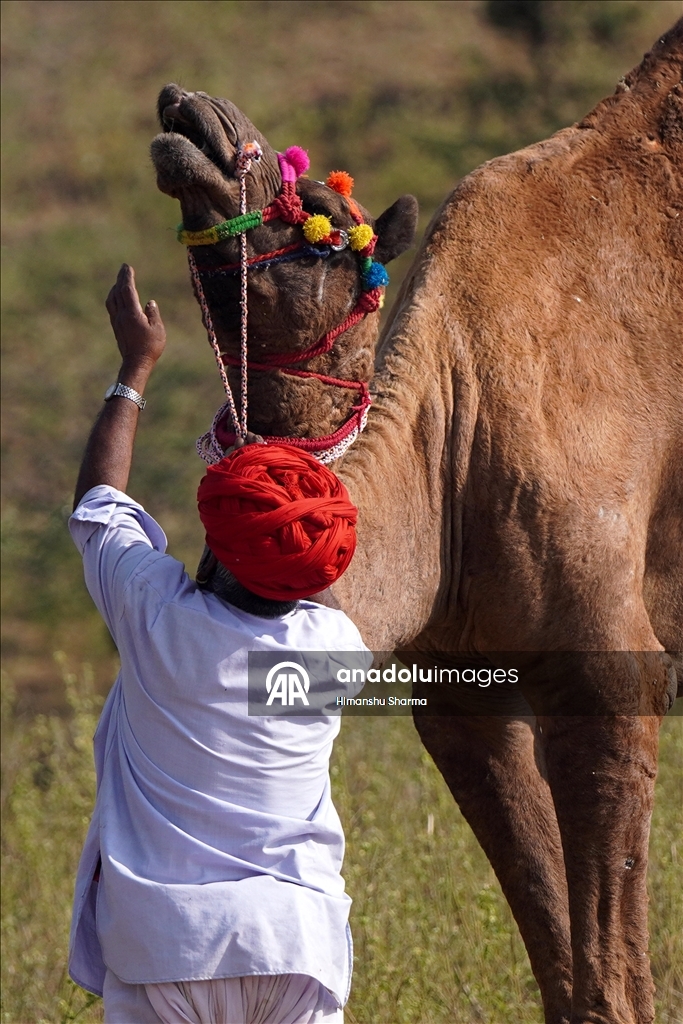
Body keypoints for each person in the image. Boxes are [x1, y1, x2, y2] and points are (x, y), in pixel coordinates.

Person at [68, 264, 369, 1024]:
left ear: (218, 546)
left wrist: (136, 367)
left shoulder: (157, 622)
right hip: (297, 948)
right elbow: (299, 564)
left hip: (165, 945)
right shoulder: (336, 652)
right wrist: (292, 489)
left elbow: (100, 505)